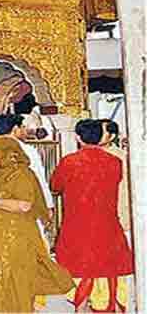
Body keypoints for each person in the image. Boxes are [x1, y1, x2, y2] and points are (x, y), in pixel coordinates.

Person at [0, 136, 74, 312]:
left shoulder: (21, 174)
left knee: (15, 280)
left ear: (5, 152)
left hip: (16, 236)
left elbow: (24, 205)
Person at [51, 119, 134, 312]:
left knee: (80, 273)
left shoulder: (69, 162)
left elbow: (55, 186)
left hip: (76, 228)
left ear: (78, 137)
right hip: (108, 227)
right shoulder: (115, 162)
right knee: (109, 272)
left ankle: (81, 309)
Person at [0, 114, 54, 229]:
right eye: (23, 127)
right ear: (16, 129)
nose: (25, 131)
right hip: (24, 201)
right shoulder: (27, 151)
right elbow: (39, 178)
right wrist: (48, 204)